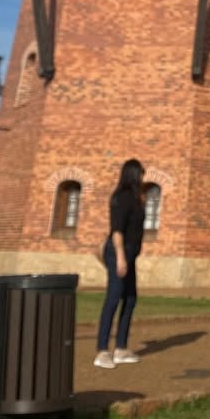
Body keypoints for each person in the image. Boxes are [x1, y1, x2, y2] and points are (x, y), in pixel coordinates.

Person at [94, 158, 145, 369]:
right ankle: (102, 350)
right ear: (133, 175)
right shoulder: (122, 197)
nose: (142, 178)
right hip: (118, 251)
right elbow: (117, 230)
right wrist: (121, 257)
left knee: (130, 298)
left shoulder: (136, 198)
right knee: (113, 298)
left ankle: (121, 348)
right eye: (140, 174)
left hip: (130, 253)